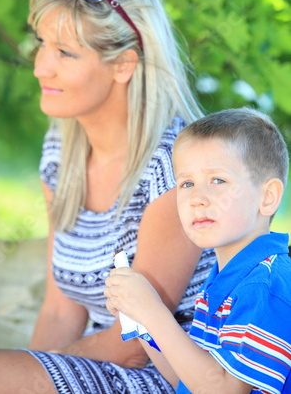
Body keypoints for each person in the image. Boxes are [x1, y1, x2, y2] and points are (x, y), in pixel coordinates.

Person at [0, 0, 216, 393]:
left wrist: (31, 370)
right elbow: (62, 311)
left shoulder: (174, 166)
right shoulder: (62, 152)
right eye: (42, 44)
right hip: (88, 366)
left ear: (123, 65)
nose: (41, 68)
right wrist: (25, 371)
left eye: (65, 53)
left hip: (164, 376)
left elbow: (136, 342)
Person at [105, 107, 291, 394]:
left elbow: (224, 390)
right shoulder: (224, 278)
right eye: (187, 183)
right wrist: (139, 317)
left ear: (267, 198)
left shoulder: (264, 284)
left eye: (218, 180)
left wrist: (154, 312)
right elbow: (188, 381)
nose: (196, 199)